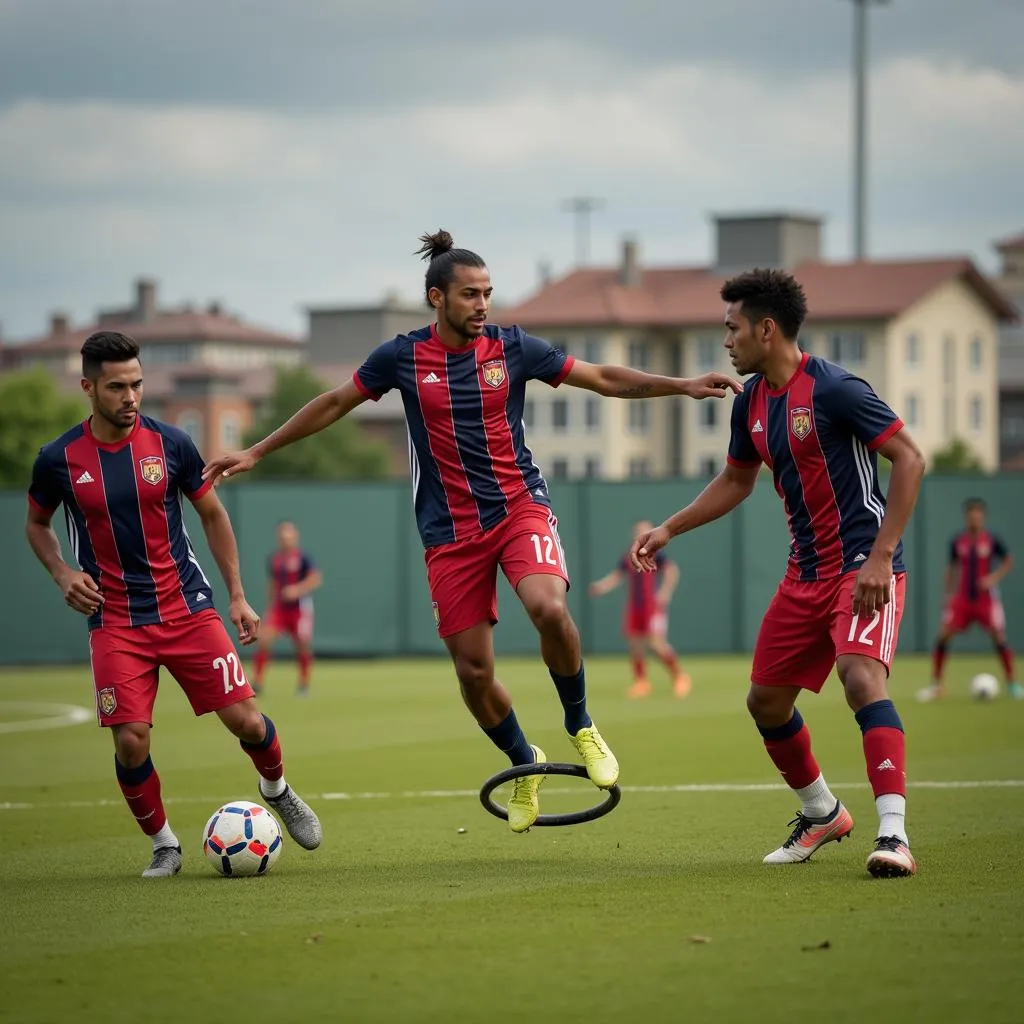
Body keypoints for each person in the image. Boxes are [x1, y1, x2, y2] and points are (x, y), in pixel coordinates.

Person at [203, 229, 740, 833]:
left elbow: (603, 378)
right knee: (473, 673)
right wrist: (256, 450)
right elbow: (332, 403)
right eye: (469, 294)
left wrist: (681, 385)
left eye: (488, 293)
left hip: (518, 508)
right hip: (447, 533)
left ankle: (582, 725)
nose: (483, 305)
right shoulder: (402, 357)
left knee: (547, 607)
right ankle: (524, 761)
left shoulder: (514, 348)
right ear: (437, 298)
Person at [631, 268, 926, 878]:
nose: (727, 341)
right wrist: (668, 529)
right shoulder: (752, 403)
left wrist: (881, 555)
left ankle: (893, 836)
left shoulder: (838, 389)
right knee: (764, 701)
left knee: (861, 678)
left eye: (733, 328)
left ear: (767, 329)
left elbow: (910, 458)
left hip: (862, 569)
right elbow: (736, 482)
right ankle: (822, 813)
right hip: (805, 575)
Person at [25, 331, 322, 877]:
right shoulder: (58, 459)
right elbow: (37, 525)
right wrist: (61, 571)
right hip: (114, 620)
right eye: (117, 387)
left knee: (247, 722)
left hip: (186, 607)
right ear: (88, 386)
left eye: (137, 384)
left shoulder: (171, 445)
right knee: (131, 740)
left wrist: (235, 595)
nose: (131, 397)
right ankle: (164, 843)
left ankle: (277, 789)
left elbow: (212, 515)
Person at [919, 498, 1022, 702]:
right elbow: (952, 569)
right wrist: (948, 595)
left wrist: (992, 578)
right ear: (966, 516)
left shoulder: (992, 540)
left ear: (982, 516)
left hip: (986, 599)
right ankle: (936, 685)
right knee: (943, 636)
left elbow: (1008, 560)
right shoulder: (958, 541)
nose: (974, 517)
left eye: (978, 514)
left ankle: (1012, 684)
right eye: (971, 514)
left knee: (999, 638)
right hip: (962, 599)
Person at [589, 520, 691, 698]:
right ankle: (641, 683)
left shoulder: (657, 554)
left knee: (656, 644)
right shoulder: (628, 556)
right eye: (638, 531)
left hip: (652, 607)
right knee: (635, 645)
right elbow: (617, 576)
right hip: (634, 607)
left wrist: (665, 592)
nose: (640, 534)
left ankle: (679, 677)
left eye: (644, 530)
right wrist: (601, 587)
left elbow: (672, 571)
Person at [253, 521, 323, 696]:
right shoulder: (274, 559)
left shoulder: (303, 557)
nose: (286, 540)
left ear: (295, 537)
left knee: (302, 645)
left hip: (299, 609)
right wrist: (269, 607)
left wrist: (297, 590)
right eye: (283, 536)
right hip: (279, 608)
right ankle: (258, 682)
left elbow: (315, 579)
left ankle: (304, 683)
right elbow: (272, 585)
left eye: (289, 536)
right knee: (265, 639)